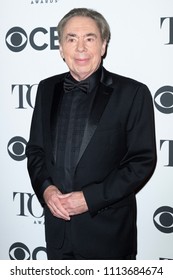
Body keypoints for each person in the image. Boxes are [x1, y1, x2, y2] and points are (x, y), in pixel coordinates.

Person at [26, 8, 157, 260]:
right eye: (71, 38)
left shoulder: (133, 93)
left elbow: (141, 161)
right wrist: (46, 189)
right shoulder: (46, 89)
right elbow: (35, 150)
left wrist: (90, 198)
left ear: (104, 45)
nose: (81, 48)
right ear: (61, 48)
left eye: (90, 38)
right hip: (58, 234)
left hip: (108, 235)